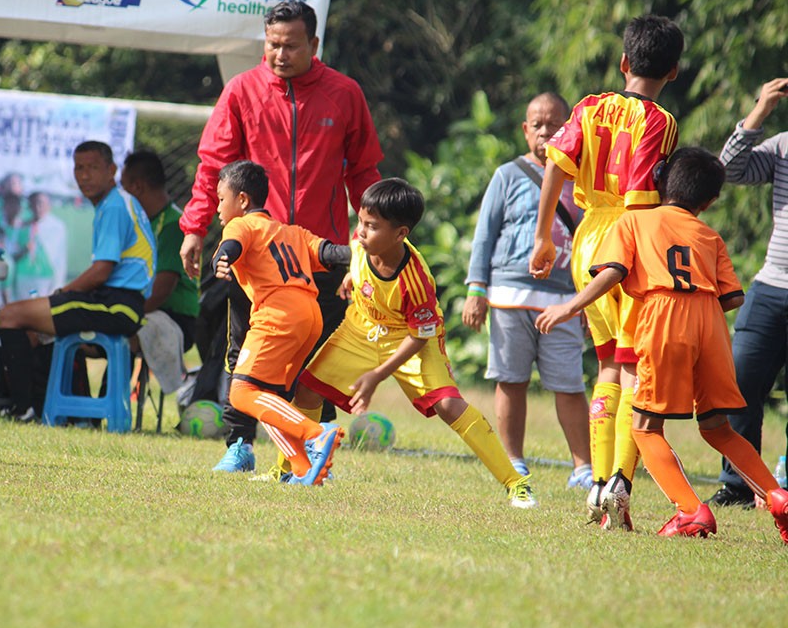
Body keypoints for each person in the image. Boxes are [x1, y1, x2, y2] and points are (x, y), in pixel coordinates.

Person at [536, 147, 788, 541]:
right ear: (710, 201)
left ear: (660, 182)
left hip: (664, 315)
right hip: (711, 320)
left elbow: (612, 272)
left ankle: (690, 511)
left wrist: (570, 306)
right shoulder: (709, 235)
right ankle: (778, 496)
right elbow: (733, 298)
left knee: (644, 428)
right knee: (718, 428)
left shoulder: (635, 220)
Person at [179, 0, 384, 476]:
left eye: (291, 45)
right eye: (272, 44)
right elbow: (213, 168)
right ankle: (239, 446)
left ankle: (312, 455)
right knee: (242, 352)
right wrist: (194, 228)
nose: (280, 54)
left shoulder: (345, 94)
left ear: (314, 44)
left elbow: (364, 173)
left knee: (318, 359)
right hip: (255, 255)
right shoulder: (241, 90)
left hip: (322, 254)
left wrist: (371, 238)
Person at [295, 178, 537, 508]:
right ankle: (290, 469)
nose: (361, 231)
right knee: (307, 390)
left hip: (413, 340)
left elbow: (420, 334)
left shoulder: (416, 280)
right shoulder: (362, 241)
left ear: (400, 234)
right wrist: (354, 275)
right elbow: (358, 254)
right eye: (361, 221)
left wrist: (378, 374)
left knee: (449, 405)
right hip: (362, 328)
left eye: (372, 226)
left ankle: (516, 483)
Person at [529, 14, 684, 530]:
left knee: (606, 366)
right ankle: (620, 482)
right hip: (629, 238)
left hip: (586, 238)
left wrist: (542, 236)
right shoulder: (660, 120)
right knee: (634, 367)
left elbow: (556, 164)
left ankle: (597, 485)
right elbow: (641, 196)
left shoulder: (588, 106)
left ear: (623, 63)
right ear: (674, 71)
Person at [463, 92, 592, 489]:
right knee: (510, 380)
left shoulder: (583, 180)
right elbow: (484, 236)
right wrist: (476, 289)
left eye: (554, 125)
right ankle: (513, 461)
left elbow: (592, 242)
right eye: (537, 125)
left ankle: (583, 468)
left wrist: (590, 302)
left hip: (564, 300)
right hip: (508, 295)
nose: (545, 132)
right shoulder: (507, 175)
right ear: (525, 130)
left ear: (569, 129)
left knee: (569, 384)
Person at [211, 161, 346, 485]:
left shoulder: (241, 225)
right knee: (269, 398)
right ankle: (303, 468)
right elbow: (330, 253)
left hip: (277, 317)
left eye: (221, 199)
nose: (218, 208)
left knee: (242, 393)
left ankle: (315, 434)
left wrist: (221, 258)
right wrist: (365, 254)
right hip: (309, 316)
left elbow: (231, 246)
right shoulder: (292, 232)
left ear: (242, 200)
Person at [0, 141, 155, 419]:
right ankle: (50, 409)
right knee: (32, 330)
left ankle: (23, 409)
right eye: (79, 168)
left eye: (92, 167)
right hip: (118, 302)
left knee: (10, 315)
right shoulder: (117, 203)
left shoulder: (114, 206)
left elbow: (101, 271)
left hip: (116, 306)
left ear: (112, 170)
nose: (84, 175)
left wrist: (63, 292)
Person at [706, 76, 788, 509]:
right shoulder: (783, 145)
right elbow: (729, 170)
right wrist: (760, 110)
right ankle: (739, 484)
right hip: (771, 286)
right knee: (738, 383)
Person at [120, 150, 200, 354]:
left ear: (137, 187)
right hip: (150, 309)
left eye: (124, 188)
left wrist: (125, 315)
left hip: (177, 318)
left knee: (118, 338)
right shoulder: (143, 223)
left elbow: (162, 289)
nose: (121, 196)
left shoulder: (173, 225)